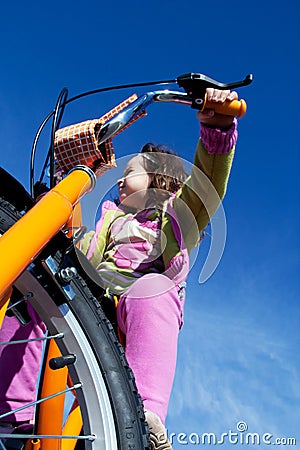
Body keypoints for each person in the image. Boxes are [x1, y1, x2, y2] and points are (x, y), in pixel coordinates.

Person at [80, 87, 239, 449]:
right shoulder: (109, 219)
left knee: (152, 288)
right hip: (99, 303)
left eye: (131, 171)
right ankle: (15, 413)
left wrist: (217, 128)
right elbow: (84, 258)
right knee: (32, 291)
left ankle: (144, 414)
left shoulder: (172, 218)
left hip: (142, 305)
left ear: (159, 176)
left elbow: (205, 188)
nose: (120, 179)